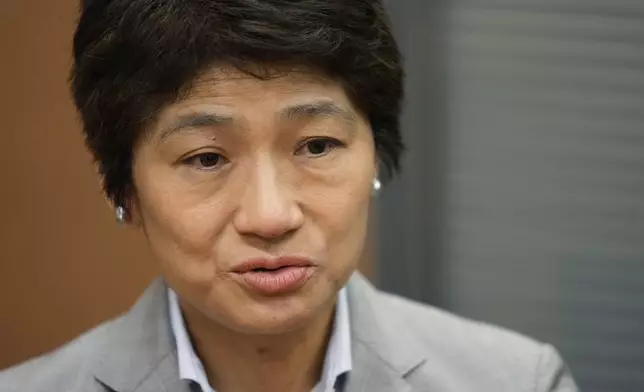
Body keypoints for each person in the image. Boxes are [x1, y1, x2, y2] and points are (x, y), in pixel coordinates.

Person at [0, 0, 579, 391]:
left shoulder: (518, 381)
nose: (270, 216)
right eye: (206, 157)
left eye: (317, 146)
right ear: (123, 188)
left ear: (375, 154)